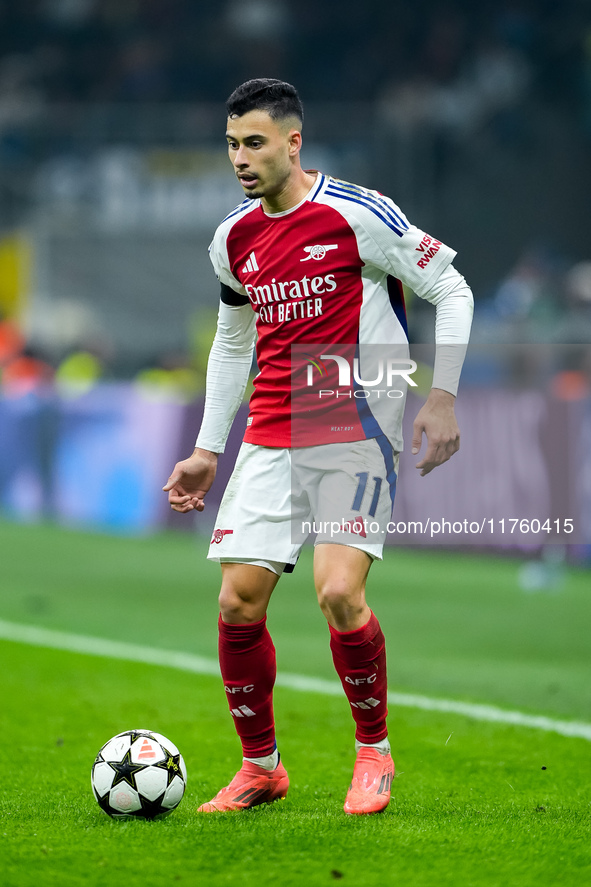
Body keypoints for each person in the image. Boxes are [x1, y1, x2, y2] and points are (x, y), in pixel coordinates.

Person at [163, 79, 473, 815]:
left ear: (293, 142)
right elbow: (232, 343)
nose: (240, 157)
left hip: (352, 413)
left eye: (255, 143)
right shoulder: (232, 237)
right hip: (271, 426)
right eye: (232, 143)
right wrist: (209, 448)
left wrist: (442, 394)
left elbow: (452, 290)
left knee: (337, 589)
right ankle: (261, 766)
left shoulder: (358, 213)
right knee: (238, 602)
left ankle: (373, 751)